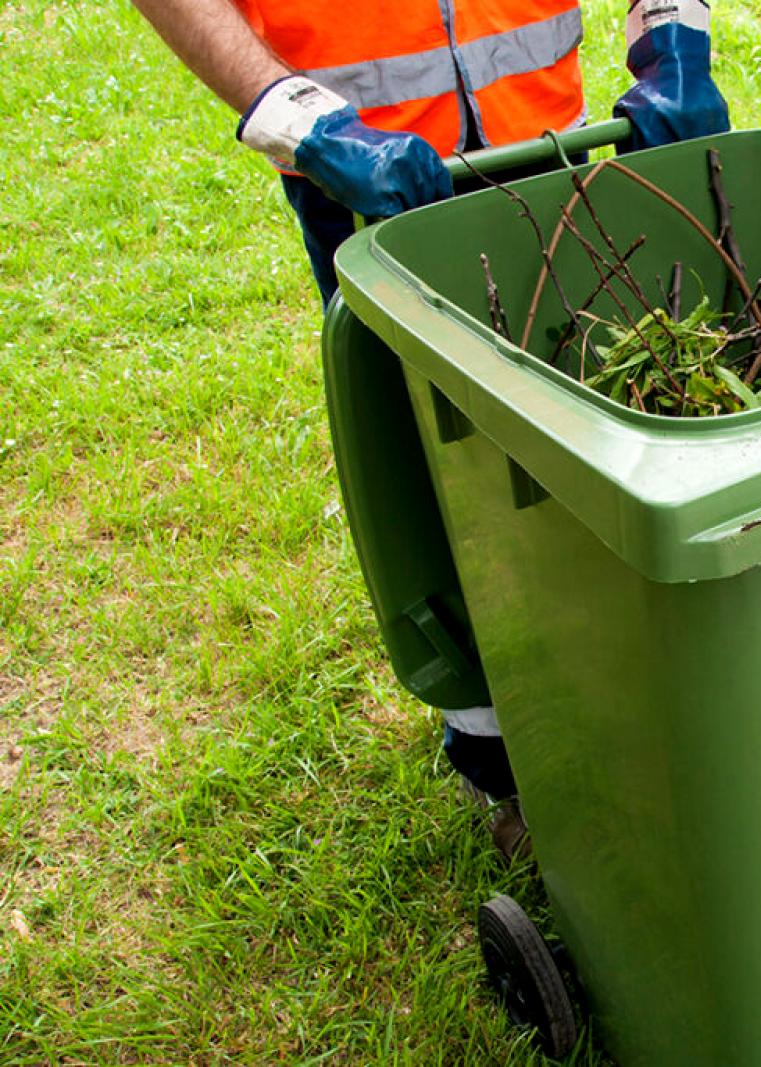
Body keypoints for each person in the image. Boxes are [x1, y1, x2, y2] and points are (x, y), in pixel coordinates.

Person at [130, 0, 730, 851]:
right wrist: (296, 120)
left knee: (583, 449)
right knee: (443, 479)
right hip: (361, 174)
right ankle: (501, 761)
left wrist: (674, 31)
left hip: (548, 146)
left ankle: (616, 703)